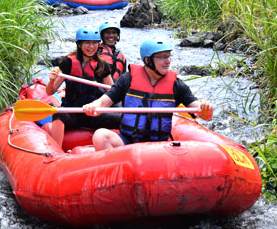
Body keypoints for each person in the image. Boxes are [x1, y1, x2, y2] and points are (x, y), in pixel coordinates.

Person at [83, 39, 213, 151]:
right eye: (162, 57)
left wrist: (206, 110)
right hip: (128, 142)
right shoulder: (127, 79)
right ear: (148, 60)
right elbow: (104, 102)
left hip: (160, 147)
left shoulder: (176, 85)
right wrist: (93, 107)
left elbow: (200, 112)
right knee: (100, 136)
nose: (168, 61)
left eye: (168, 57)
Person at [47, 26, 121, 147]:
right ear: (79, 44)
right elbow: (51, 92)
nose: (91, 47)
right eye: (87, 43)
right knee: (58, 113)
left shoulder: (101, 66)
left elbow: (113, 92)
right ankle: (55, 153)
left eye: (94, 43)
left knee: (123, 119)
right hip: (72, 112)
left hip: (93, 113)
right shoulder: (68, 63)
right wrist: (51, 80)